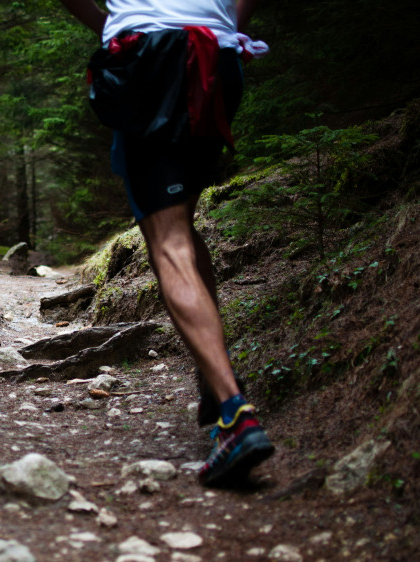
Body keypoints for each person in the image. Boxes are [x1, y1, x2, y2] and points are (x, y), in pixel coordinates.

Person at [58, 0, 273, 486]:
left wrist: (110, 24)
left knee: (169, 241)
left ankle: (236, 415)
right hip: (217, 57)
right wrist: (229, 33)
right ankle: (216, 386)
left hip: (147, 56)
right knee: (184, 224)